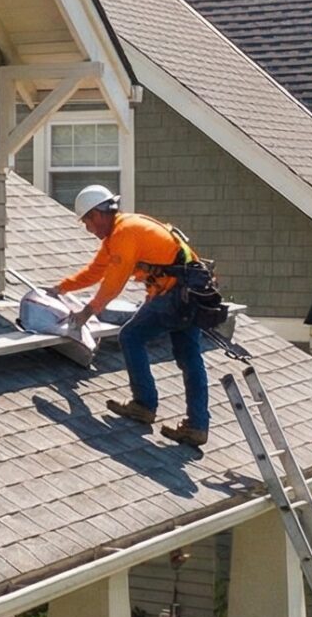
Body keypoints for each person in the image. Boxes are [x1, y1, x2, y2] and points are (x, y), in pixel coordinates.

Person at [53, 184, 213, 447]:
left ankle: (144, 405)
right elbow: (95, 272)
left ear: (97, 215)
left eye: (87, 222)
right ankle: (197, 426)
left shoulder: (124, 234)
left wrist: (88, 312)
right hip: (190, 293)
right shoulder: (122, 230)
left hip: (177, 294)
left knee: (131, 336)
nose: (88, 229)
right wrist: (61, 287)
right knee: (189, 356)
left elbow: (113, 284)